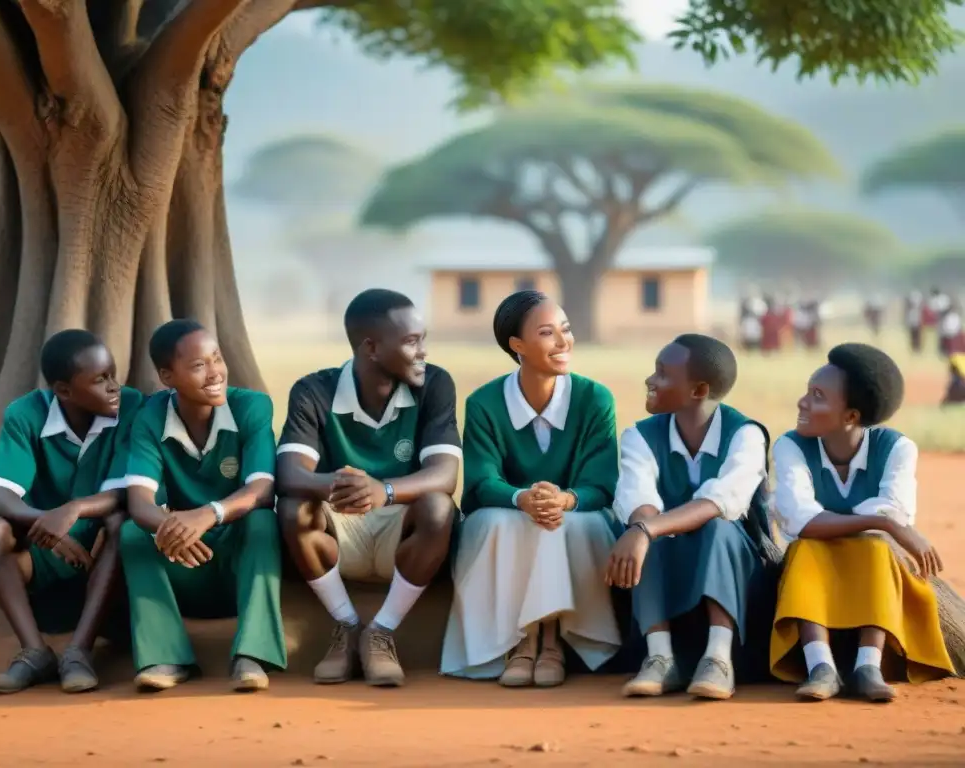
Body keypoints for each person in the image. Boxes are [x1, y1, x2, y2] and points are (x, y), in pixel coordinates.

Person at [277, 289, 461, 687]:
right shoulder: (314, 391)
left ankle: (381, 632)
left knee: (438, 507)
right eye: (412, 342)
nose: (423, 351)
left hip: (403, 533)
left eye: (422, 339)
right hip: (340, 530)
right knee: (293, 508)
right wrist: (339, 484)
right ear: (371, 348)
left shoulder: (435, 385)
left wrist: (384, 490)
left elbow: (445, 474)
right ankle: (346, 625)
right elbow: (290, 474)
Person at [441, 290, 620, 687]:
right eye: (547, 333)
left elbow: (603, 485)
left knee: (562, 523)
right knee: (496, 522)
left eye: (566, 330)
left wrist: (566, 499)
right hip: (510, 513)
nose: (563, 341)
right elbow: (482, 483)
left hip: (576, 516)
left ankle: (553, 641)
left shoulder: (594, 399)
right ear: (517, 346)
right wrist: (521, 498)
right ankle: (522, 642)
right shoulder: (485, 402)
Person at [770, 343, 954, 702]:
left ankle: (867, 665)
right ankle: (819, 665)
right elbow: (801, 520)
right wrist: (884, 524)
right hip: (814, 563)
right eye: (807, 391)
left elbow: (893, 511)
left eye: (817, 396)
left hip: (875, 565)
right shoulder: (790, 446)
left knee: (874, 546)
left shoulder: (897, 448)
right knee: (809, 546)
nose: (802, 403)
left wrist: (881, 525)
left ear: (851, 417)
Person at [120, 319, 285, 693]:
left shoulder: (252, 407)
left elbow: (262, 489)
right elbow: (139, 503)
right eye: (198, 366)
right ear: (167, 376)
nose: (215, 373)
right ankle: (166, 656)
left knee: (262, 522)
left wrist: (206, 515)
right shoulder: (149, 418)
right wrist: (173, 527)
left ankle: (253, 655)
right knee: (132, 532)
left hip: (235, 562)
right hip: (183, 561)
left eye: (217, 358)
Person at [0, 329, 143, 694]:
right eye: (101, 380)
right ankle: (34, 652)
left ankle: (79, 652)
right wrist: (43, 522)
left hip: (103, 553)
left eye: (114, 374)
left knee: (121, 521)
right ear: (64, 390)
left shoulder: (131, 406)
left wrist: (74, 510)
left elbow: (128, 489)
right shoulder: (25, 413)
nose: (114, 387)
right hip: (43, 547)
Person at [607, 334, 768, 701]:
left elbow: (722, 501)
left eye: (662, 374)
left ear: (698, 390)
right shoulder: (640, 436)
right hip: (669, 564)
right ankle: (661, 657)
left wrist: (647, 528)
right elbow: (640, 498)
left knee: (718, 527)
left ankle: (718, 657)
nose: (650, 380)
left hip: (734, 569)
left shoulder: (746, 435)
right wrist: (645, 529)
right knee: (643, 530)